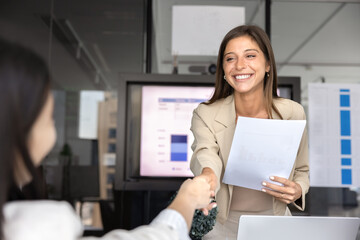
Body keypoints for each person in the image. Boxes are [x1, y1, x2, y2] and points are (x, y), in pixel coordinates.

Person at [0, 38, 215, 240]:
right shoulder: (34, 227)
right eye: (49, 117)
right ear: (17, 127)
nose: (54, 131)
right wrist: (187, 198)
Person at [190, 25, 309, 239]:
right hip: (221, 226)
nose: (240, 66)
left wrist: (298, 189)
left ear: (268, 65)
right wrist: (207, 174)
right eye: (230, 59)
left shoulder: (292, 111)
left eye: (250, 55)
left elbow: (302, 170)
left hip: (276, 222)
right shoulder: (205, 113)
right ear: (224, 70)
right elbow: (205, 152)